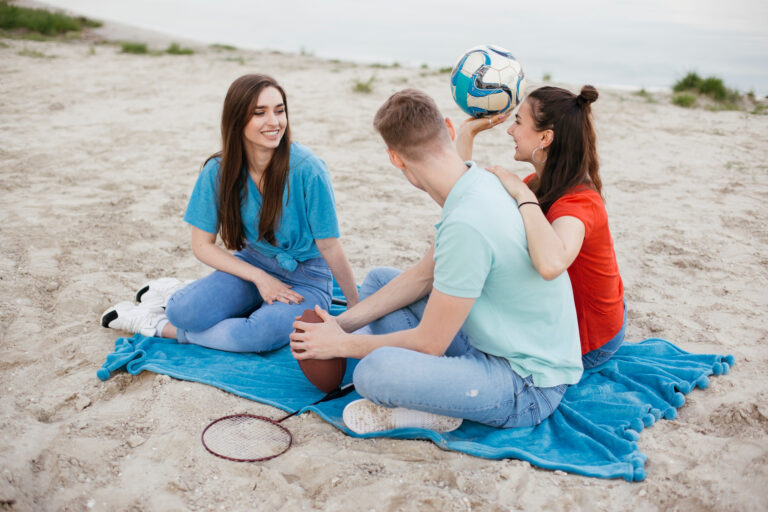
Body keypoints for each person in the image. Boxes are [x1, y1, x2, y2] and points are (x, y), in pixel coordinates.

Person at [289, 89, 582, 434]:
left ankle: (439, 404)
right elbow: (421, 277)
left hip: (527, 385)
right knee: (381, 280)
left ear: (395, 159)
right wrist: (341, 325)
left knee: (372, 372)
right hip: (489, 343)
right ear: (449, 128)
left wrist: (341, 345)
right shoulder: (476, 182)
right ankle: (440, 387)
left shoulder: (467, 222)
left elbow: (431, 343)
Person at [101, 74, 358, 352]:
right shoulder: (218, 170)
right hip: (252, 264)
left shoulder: (308, 169)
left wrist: (356, 309)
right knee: (182, 311)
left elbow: (329, 245)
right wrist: (260, 278)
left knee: (255, 335)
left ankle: (160, 327)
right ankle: (175, 293)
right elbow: (202, 245)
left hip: (305, 278)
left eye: (279, 110)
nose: (274, 122)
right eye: (259, 113)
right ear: (237, 119)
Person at [456, 85, 625, 369]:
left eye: (518, 122)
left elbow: (550, 264)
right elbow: (468, 202)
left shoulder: (578, 203)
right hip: (560, 315)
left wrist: (521, 194)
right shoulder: (538, 183)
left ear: (545, 138)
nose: (510, 130)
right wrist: (466, 135)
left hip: (590, 341)